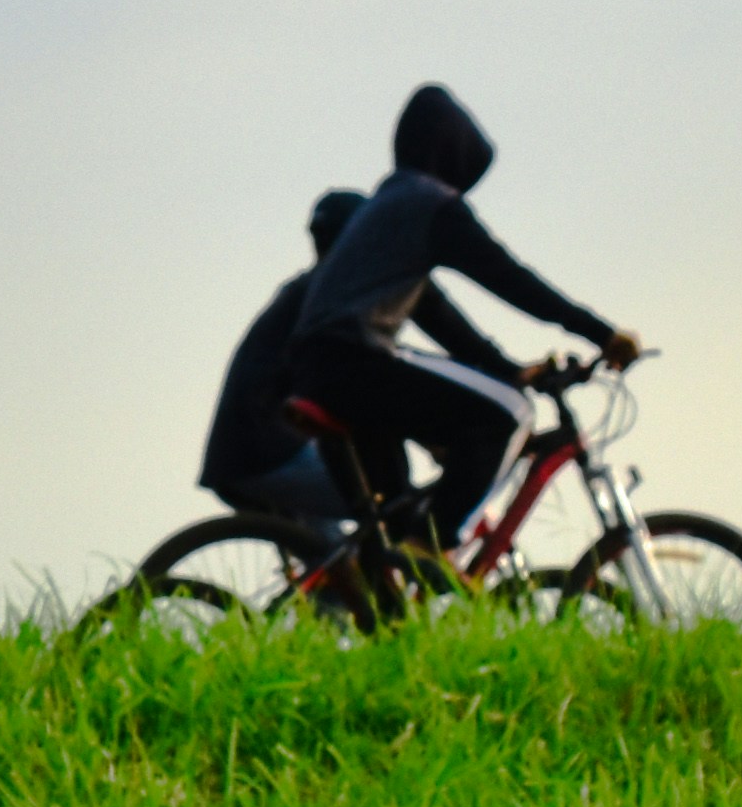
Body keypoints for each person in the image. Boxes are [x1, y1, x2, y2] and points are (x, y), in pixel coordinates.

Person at [284, 84, 642, 563]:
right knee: (506, 415)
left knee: (394, 524)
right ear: (452, 155)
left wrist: (507, 368)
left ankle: (391, 582)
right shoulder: (429, 204)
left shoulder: (391, 205)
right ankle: (436, 546)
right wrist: (601, 333)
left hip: (320, 366)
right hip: (355, 359)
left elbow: (439, 318)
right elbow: (509, 278)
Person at [199, 187, 512, 525]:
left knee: (340, 552)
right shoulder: (340, 299)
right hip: (270, 455)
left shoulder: (309, 292)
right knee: (395, 510)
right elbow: (376, 380)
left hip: (237, 459)